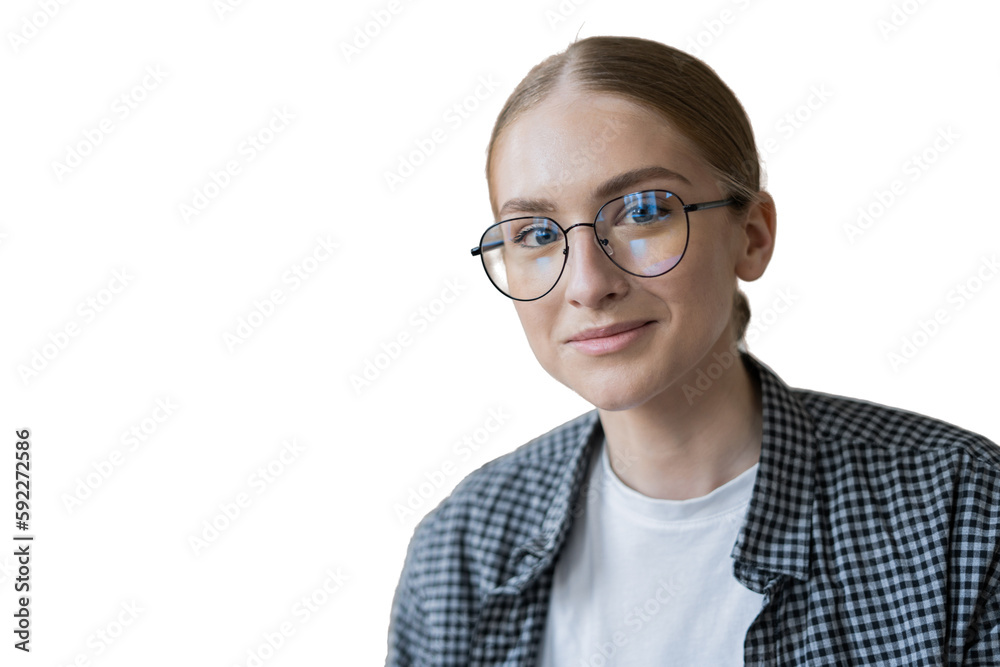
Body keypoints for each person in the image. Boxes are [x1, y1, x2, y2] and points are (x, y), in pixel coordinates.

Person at [385, 35, 1000, 666]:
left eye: (643, 211)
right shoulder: (456, 553)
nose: (589, 285)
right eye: (537, 234)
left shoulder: (959, 514)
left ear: (752, 236)